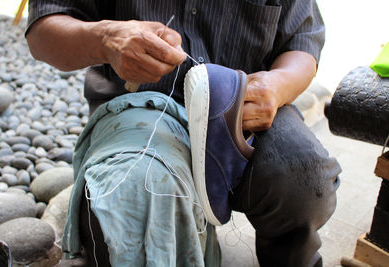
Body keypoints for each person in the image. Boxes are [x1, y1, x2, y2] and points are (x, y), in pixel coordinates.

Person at [25, 0, 341, 266]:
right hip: (140, 103)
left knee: (303, 177)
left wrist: (277, 85)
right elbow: (43, 30)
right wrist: (106, 38)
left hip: (243, 104)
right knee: (134, 192)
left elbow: (302, 41)